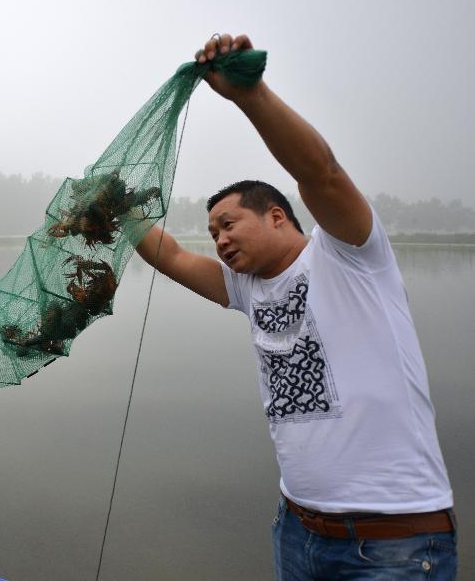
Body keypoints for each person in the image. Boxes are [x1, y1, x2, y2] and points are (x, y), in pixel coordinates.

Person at [134, 34, 457, 579]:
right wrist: (117, 213)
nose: (218, 241)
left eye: (228, 225)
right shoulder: (246, 288)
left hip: (392, 545)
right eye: (211, 232)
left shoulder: (352, 255)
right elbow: (168, 256)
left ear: (277, 216)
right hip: (297, 531)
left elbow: (322, 173)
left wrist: (250, 96)